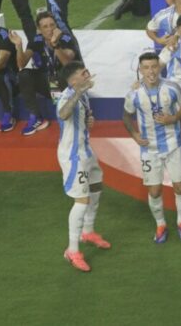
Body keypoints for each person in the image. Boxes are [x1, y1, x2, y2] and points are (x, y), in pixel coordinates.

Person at [122, 52, 181, 243]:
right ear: (140, 70)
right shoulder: (134, 94)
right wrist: (135, 134)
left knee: (179, 186)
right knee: (154, 191)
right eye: (146, 67)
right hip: (149, 149)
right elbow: (126, 116)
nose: (151, 71)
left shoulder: (172, 87)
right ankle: (160, 224)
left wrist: (174, 118)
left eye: (154, 66)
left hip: (173, 145)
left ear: (159, 68)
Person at [57, 61, 111, 272]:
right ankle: (72, 250)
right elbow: (63, 114)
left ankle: (88, 231)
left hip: (86, 151)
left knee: (96, 186)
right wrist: (78, 93)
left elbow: (81, 117)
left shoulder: (84, 94)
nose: (88, 74)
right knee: (81, 200)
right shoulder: (66, 96)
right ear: (73, 81)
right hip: (73, 157)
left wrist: (89, 120)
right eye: (83, 73)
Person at [11, 11, 80, 136]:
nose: (50, 29)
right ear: (39, 29)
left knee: (57, 76)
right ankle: (36, 117)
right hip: (48, 82)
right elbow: (21, 64)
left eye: (52, 25)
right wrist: (19, 46)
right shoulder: (36, 40)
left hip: (66, 84)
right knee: (23, 74)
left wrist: (56, 45)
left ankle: (65, 115)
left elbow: (67, 63)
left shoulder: (66, 38)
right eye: (45, 27)